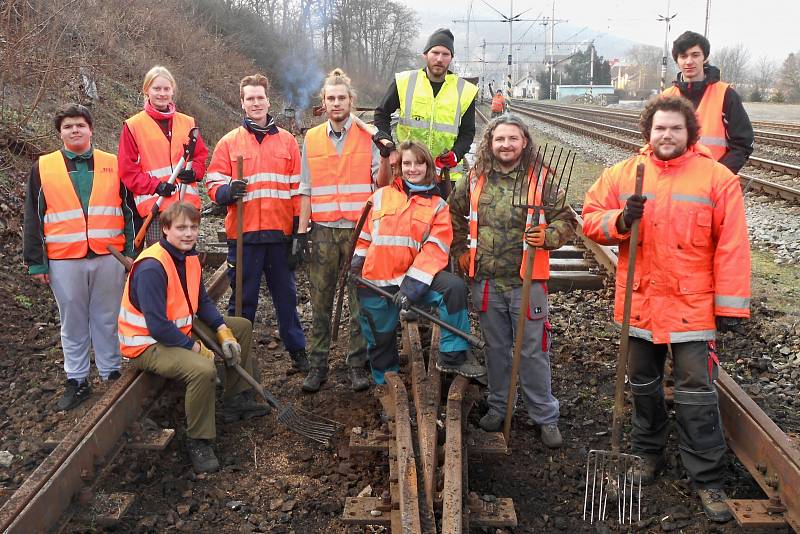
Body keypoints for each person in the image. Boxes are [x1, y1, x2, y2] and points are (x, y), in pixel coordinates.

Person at [582, 95, 751, 522]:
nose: (667, 135)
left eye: (676, 128)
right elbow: (588, 218)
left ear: (689, 132)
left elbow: (732, 246)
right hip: (639, 302)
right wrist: (620, 219)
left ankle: (707, 477)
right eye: (660, 128)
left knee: (696, 392)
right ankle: (646, 455)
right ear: (648, 131)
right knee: (643, 385)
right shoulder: (624, 174)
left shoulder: (716, 178)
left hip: (692, 305)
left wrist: (730, 306)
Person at [449, 115, 575, 448]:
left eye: (513, 139)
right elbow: (452, 213)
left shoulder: (541, 178)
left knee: (533, 350)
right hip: (486, 281)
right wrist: (460, 249)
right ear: (490, 142)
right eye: (500, 139)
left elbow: (567, 220)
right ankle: (498, 406)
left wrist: (548, 235)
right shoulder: (475, 178)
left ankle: (544, 416)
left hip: (526, 281)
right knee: (496, 349)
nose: (506, 144)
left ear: (524, 142)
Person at [118, 202, 268, 473]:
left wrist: (222, 330)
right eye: (181, 228)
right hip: (147, 343)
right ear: (165, 229)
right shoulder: (152, 267)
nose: (188, 233)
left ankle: (237, 399)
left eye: (193, 227)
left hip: (178, 331)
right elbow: (158, 326)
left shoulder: (188, 257)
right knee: (202, 370)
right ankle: (199, 440)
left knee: (241, 327)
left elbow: (200, 302)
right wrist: (197, 349)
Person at [23, 104, 135, 410]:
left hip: (108, 255)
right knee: (72, 321)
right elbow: (33, 216)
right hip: (64, 259)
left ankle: (111, 373)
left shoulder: (113, 164)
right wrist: (36, 261)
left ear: (91, 129)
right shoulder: (43, 168)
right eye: (68, 126)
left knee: (107, 316)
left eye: (80, 125)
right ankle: (77, 379)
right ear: (60, 133)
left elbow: (129, 211)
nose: (75, 130)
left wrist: (130, 253)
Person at [350, 141, 485, 384]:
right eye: (407, 163)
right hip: (376, 281)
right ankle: (385, 383)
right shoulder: (379, 197)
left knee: (453, 288)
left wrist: (410, 290)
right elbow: (364, 236)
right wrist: (355, 265)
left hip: (414, 281)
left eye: (418, 163)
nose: (413, 169)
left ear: (428, 167)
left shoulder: (438, 207)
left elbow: (435, 250)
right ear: (399, 167)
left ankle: (452, 353)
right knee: (380, 340)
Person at [297, 69, 393, 393]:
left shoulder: (367, 137)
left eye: (342, 98)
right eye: (330, 98)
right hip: (322, 230)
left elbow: (381, 185)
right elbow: (306, 189)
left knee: (358, 302)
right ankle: (317, 365)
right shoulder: (310, 139)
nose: (336, 103)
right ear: (323, 103)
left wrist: (384, 157)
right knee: (320, 300)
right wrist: (301, 232)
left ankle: (356, 364)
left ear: (351, 101)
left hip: (358, 232)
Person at [205, 74, 306, 363]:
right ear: (242, 103)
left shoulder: (287, 142)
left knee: (286, 297)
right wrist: (226, 191)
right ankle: (240, 352)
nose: (256, 102)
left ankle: (297, 349)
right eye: (250, 98)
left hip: (279, 234)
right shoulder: (229, 143)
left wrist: (300, 232)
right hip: (244, 236)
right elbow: (212, 183)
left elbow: (298, 189)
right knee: (243, 299)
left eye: (260, 97)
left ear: (268, 100)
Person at [373, 28, 478, 194]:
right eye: (435, 52)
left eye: (445, 54)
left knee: (441, 219)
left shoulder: (465, 90)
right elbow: (381, 114)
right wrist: (390, 148)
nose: (439, 59)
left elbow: (468, 132)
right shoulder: (404, 82)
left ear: (451, 58)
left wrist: (456, 155)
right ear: (425, 54)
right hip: (408, 171)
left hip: (444, 177)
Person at [118, 65, 209, 244]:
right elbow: (127, 171)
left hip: (186, 206)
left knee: (186, 261)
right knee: (160, 261)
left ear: (172, 90)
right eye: (156, 88)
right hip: (156, 208)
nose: (162, 93)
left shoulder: (188, 122)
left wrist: (194, 173)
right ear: (146, 91)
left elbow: (200, 157)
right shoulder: (133, 126)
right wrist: (155, 186)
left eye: (166, 88)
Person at [663, 31, 753, 174]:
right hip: (673, 179)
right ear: (677, 60)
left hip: (713, 183)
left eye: (695, 55)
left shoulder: (726, 94)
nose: (689, 61)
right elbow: (654, 143)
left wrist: (718, 175)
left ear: (705, 58)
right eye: (683, 56)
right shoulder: (666, 97)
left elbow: (742, 144)